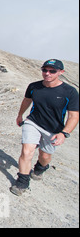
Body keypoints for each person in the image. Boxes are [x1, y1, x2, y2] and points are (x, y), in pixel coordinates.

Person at [10, 59, 79, 196]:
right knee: (26, 151)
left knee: (45, 155)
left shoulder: (70, 92)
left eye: (52, 71)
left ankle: (41, 167)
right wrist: (20, 115)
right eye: (44, 70)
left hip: (53, 129)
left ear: (61, 72)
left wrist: (64, 133)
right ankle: (22, 182)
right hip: (33, 122)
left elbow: (74, 117)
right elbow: (27, 101)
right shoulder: (34, 86)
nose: (47, 73)